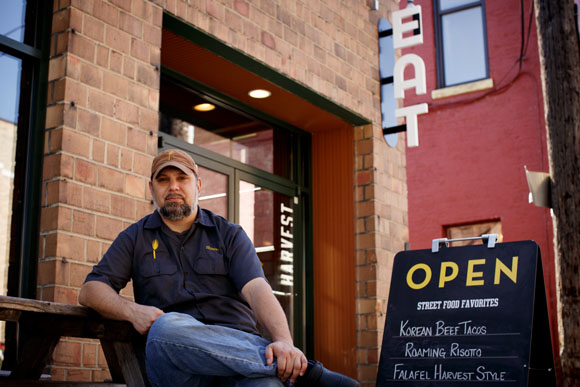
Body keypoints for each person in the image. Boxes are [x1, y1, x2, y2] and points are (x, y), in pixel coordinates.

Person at [79, 149, 359, 387]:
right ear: (151, 188)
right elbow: (90, 290)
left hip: (242, 368)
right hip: (178, 369)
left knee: (267, 386)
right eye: (163, 180)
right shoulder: (135, 237)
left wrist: (284, 342)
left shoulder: (228, 235)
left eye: (181, 178)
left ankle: (286, 367)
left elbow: (258, 290)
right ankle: (307, 374)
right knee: (164, 329)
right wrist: (131, 311)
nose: (172, 187)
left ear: (198, 186)